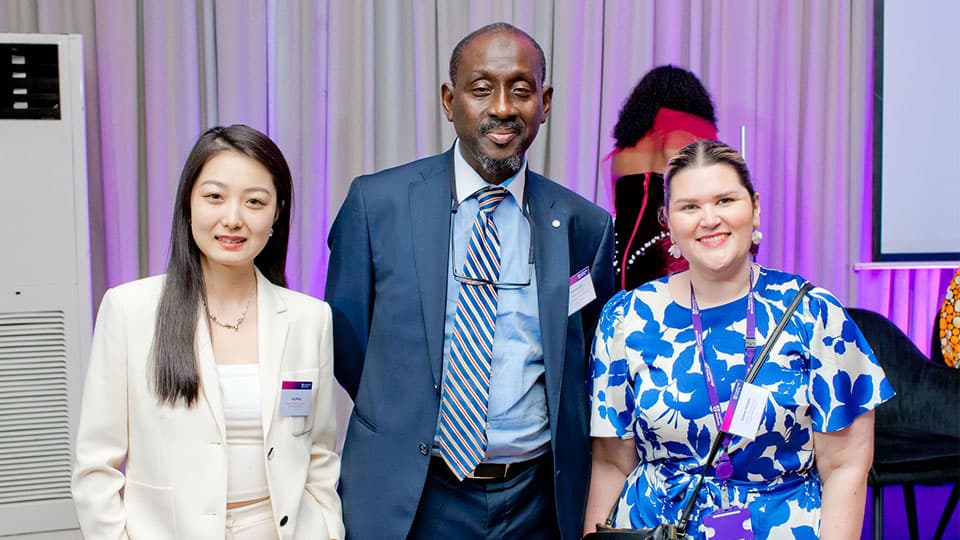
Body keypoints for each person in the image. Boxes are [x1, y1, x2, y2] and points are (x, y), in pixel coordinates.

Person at [325, 22, 614, 540]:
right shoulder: (377, 205)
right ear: (448, 99)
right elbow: (348, 344)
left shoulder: (583, 226)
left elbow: (591, 360)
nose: (502, 107)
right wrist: (405, 407)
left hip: (536, 502)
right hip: (413, 494)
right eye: (481, 89)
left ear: (544, 103)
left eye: (521, 90)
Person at [585, 140, 894, 539]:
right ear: (668, 221)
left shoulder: (814, 314)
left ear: (755, 207)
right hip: (654, 529)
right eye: (690, 207)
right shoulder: (626, 318)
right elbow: (611, 464)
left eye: (725, 200)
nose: (709, 219)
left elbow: (845, 466)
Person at [71, 125, 344, 540]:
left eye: (254, 201)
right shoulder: (130, 311)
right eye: (214, 197)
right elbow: (96, 466)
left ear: (277, 213)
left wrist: (325, 527)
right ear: (188, 203)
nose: (232, 219)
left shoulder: (310, 319)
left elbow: (319, 452)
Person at [604, 65, 718, 292]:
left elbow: (617, 205)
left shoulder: (621, 152)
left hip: (618, 253)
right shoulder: (678, 137)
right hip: (665, 253)